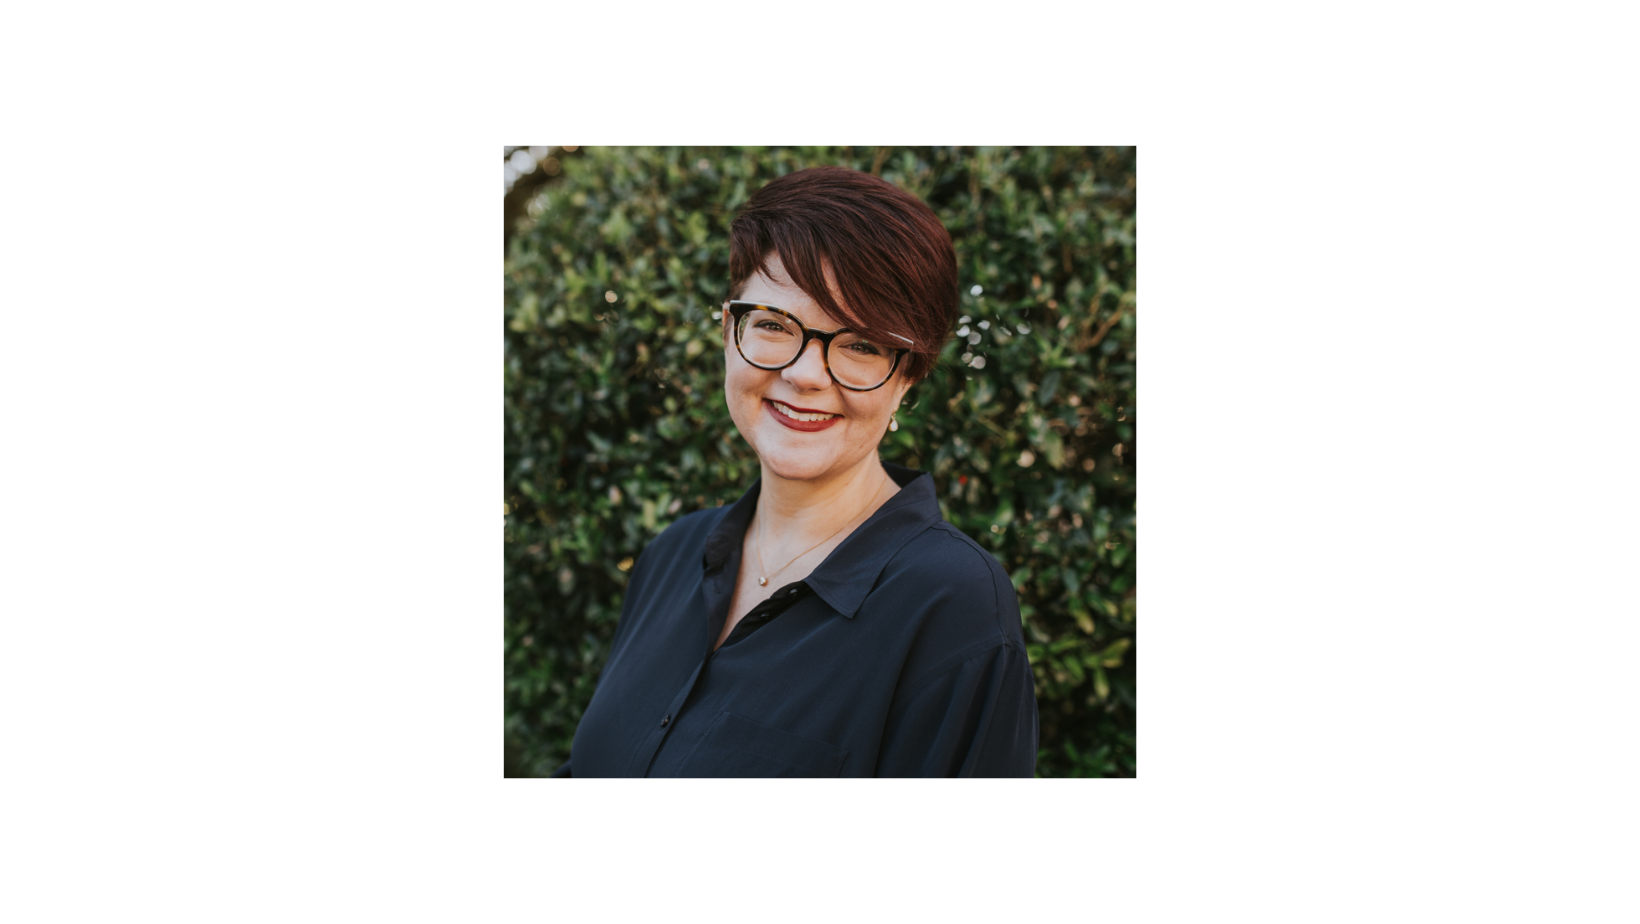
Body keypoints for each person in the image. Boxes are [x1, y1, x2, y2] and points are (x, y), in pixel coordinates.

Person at [552, 165, 1037, 777]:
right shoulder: (673, 554)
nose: (807, 375)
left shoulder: (953, 608)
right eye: (776, 326)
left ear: (908, 377)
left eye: (862, 343)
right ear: (731, 331)